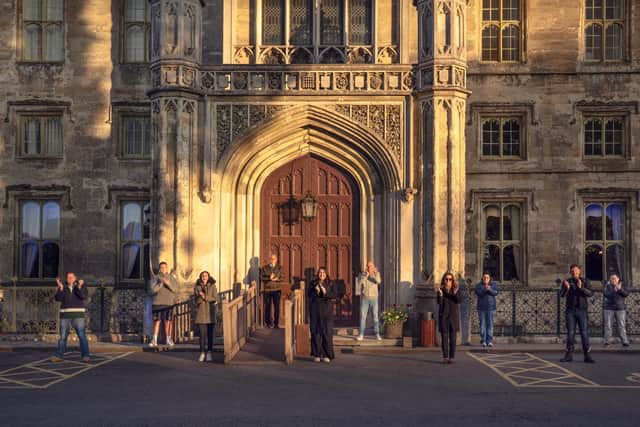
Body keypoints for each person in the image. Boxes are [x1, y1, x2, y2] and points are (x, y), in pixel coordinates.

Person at [51, 272, 90, 362]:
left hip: (78, 315)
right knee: (63, 337)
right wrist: (60, 288)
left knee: (82, 335)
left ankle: (85, 355)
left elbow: (83, 296)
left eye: (72, 277)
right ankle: (59, 355)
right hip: (65, 315)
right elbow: (58, 298)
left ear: (75, 278)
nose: (70, 279)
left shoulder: (81, 286)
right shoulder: (63, 287)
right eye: (68, 277)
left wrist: (79, 287)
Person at [560, 264, 595, 363]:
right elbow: (561, 295)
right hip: (570, 311)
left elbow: (591, 293)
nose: (574, 272)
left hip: (582, 311)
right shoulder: (567, 281)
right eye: (572, 271)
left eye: (576, 271)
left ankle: (587, 355)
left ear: (579, 271)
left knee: (584, 333)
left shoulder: (585, 281)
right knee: (570, 333)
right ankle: (568, 355)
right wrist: (566, 288)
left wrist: (581, 288)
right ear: (570, 272)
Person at [148, 261, 178, 348]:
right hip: (157, 303)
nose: (163, 269)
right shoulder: (155, 278)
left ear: (167, 268)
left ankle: (168, 340)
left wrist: (168, 284)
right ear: (159, 269)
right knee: (157, 322)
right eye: (162, 267)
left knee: (168, 322)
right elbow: (152, 290)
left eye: (165, 267)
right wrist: (161, 284)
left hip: (169, 303)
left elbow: (176, 290)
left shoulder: (172, 278)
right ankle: (154, 340)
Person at [308, 267, 335, 363]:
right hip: (315, 311)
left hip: (326, 312)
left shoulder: (330, 283)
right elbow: (309, 295)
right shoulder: (313, 283)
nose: (321, 274)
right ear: (317, 274)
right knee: (315, 332)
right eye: (320, 272)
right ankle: (317, 354)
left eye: (323, 272)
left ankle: (327, 355)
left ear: (326, 274)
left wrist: (325, 292)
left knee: (326, 333)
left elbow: (333, 295)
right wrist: (316, 291)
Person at [194, 271, 219, 362]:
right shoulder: (197, 287)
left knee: (210, 335)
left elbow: (215, 298)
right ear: (200, 277)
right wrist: (199, 298)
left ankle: (209, 353)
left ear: (208, 277)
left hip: (210, 313)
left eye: (206, 276)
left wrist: (205, 297)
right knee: (202, 335)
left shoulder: (213, 286)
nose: (204, 277)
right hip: (201, 314)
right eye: (202, 276)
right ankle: (202, 353)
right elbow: (195, 300)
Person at [437, 272, 461, 364]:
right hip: (444, 317)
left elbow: (459, 301)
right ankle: (445, 357)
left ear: (452, 280)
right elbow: (439, 302)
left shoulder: (456, 289)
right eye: (446, 279)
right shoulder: (441, 290)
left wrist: (455, 293)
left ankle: (452, 357)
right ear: (444, 280)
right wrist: (441, 295)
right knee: (444, 338)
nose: (448, 281)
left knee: (453, 338)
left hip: (453, 317)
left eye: (450, 279)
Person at [356, 261, 382, 341]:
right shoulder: (362, 274)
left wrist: (375, 273)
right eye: (367, 266)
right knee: (363, 317)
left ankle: (377, 334)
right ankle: (361, 334)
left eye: (370, 266)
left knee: (375, 317)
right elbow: (359, 283)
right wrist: (366, 275)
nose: (369, 268)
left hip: (374, 298)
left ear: (374, 267)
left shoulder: (377, 274)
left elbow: (378, 281)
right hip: (365, 298)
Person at [603, 273, 630, 347]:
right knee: (608, 325)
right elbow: (606, 294)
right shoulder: (607, 286)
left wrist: (620, 289)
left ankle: (624, 341)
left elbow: (626, 294)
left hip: (620, 308)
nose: (613, 280)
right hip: (609, 308)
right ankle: (607, 341)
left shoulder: (622, 285)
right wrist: (614, 290)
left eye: (615, 278)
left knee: (622, 325)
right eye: (612, 278)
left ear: (618, 279)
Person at [475, 272, 499, 348]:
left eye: (487, 277)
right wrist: (485, 289)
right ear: (482, 278)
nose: (486, 279)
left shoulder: (493, 284)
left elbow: (496, 292)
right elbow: (479, 293)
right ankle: (483, 340)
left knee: (490, 325)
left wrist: (490, 289)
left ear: (489, 278)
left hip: (491, 308)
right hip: (481, 308)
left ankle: (489, 341)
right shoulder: (479, 285)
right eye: (484, 277)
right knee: (482, 325)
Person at [261, 254, 283, 328]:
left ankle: (276, 324)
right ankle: (268, 323)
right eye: (271, 259)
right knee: (267, 307)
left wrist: (277, 279)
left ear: (276, 260)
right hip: (268, 290)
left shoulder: (279, 268)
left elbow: (283, 277)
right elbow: (262, 277)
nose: (272, 260)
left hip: (277, 290)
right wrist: (269, 278)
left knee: (277, 307)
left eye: (274, 259)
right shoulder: (265, 268)